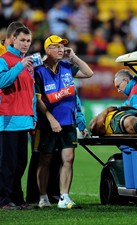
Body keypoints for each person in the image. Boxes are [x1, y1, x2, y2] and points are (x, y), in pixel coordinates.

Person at [34, 34, 93, 209]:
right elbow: (38, 100)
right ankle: (43, 197)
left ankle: (64, 197)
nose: (61, 49)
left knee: (69, 158)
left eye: (62, 46)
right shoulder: (39, 71)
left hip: (68, 122)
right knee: (45, 160)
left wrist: (73, 56)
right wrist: (51, 119)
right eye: (56, 46)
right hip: (47, 124)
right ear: (47, 50)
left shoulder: (67, 66)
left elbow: (89, 73)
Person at [0, 26, 37, 210]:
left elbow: (31, 93)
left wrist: (34, 116)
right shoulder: (3, 60)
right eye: (22, 40)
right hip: (7, 120)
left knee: (20, 163)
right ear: (13, 39)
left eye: (28, 41)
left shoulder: (28, 64)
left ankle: (17, 199)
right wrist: (19, 66)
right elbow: (2, 82)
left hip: (24, 119)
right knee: (7, 164)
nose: (25, 44)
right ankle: (3, 200)